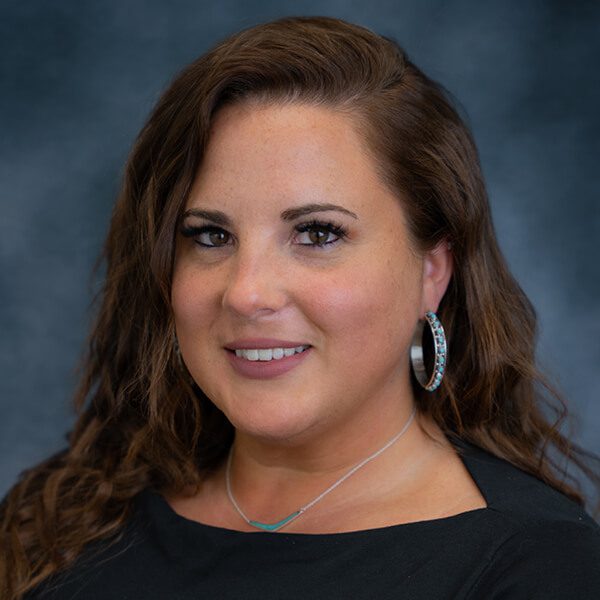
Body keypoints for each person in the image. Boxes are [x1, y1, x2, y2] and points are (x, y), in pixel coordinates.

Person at [2, 15, 600, 600]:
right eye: (210, 235)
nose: (247, 293)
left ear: (431, 272)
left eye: (317, 233)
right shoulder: (56, 521)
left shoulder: (538, 566)